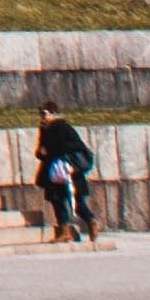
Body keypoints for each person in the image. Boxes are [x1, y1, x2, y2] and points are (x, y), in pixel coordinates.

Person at [30, 104, 100, 244]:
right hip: (54, 173)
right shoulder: (44, 129)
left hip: (69, 172)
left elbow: (73, 146)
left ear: (53, 113)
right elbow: (41, 150)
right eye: (41, 114)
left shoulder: (63, 127)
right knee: (58, 201)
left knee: (77, 202)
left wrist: (50, 151)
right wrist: (41, 153)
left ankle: (91, 222)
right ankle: (65, 232)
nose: (42, 117)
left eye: (45, 113)